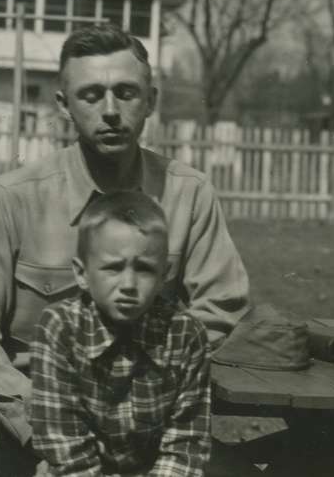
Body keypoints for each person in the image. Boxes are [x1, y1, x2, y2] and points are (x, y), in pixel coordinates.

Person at [0, 23, 250, 476]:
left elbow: (222, 309)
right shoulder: (11, 198)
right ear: (63, 105)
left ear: (151, 101)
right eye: (91, 95)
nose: (110, 111)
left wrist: (138, 399)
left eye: (126, 92)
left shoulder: (189, 194)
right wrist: (52, 421)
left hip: (142, 425)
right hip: (24, 416)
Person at [29, 191, 211, 476]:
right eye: (113, 267)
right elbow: (64, 446)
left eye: (144, 269)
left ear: (165, 274)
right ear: (82, 274)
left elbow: (185, 443)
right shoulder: (60, 327)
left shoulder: (185, 333)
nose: (128, 284)